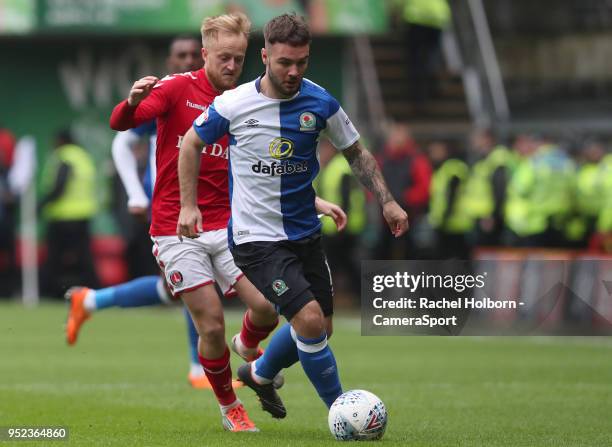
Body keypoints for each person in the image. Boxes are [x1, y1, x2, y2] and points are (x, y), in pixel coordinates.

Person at [109, 13, 345, 432]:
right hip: (175, 228)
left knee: (267, 309)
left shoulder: (244, 102)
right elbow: (121, 124)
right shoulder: (177, 88)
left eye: (238, 59)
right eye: (223, 58)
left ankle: (248, 346)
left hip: (231, 229)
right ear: (204, 55)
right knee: (212, 324)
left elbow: (263, 170)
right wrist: (130, 102)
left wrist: (315, 200)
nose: (232, 67)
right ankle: (229, 405)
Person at [177, 13, 408, 420]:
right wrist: (189, 204)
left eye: (302, 62)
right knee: (310, 319)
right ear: (265, 56)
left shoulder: (320, 101)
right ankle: (342, 413)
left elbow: (356, 151)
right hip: (256, 240)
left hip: (304, 234)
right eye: (285, 63)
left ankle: (260, 373)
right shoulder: (233, 104)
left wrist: (386, 200)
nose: (294, 71)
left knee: (321, 328)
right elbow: (191, 144)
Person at [65, 35, 216, 389]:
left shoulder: (215, 95)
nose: (188, 59)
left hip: (207, 204)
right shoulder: (169, 93)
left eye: (194, 54)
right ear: (169, 60)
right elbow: (122, 138)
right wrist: (135, 193)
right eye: (181, 55)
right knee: (197, 280)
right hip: (171, 205)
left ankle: (91, 300)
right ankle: (201, 369)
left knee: (177, 287)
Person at [39, 129, 99, 298]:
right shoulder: (83, 157)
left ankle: (48, 293)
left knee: (54, 257)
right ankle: (94, 291)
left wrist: (42, 204)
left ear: (61, 140)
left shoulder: (65, 155)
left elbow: (60, 185)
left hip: (63, 216)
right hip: (83, 214)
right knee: (84, 257)